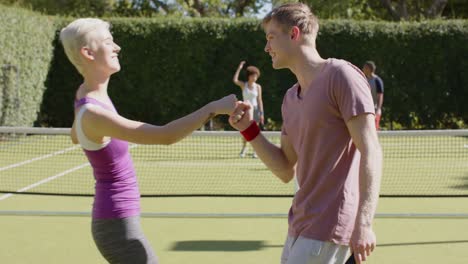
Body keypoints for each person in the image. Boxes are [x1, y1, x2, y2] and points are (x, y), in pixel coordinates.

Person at [60, 18, 237, 264]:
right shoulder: (93, 113)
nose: (117, 47)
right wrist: (214, 108)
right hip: (116, 227)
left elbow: (74, 135)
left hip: (116, 220)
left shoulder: (86, 97)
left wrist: (85, 132)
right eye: (109, 42)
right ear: (87, 53)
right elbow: (165, 136)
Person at [229, 3, 382, 264]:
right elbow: (285, 167)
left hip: (330, 226)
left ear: (294, 34)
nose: (266, 48)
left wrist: (364, 223)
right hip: (299, 226)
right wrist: (249, 129)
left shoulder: (341, 76)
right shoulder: (290, 98)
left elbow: (371, 150)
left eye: (270, 38)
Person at [232, 61, 265, 158]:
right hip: (245, 111)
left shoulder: (258, 87)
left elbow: (260, 100)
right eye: (253, 76)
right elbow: (235, 80)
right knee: (245, 132)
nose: (254, 78)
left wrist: (261, 113)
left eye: (256, 76)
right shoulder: (244, 85)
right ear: (249, 76)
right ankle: (243, 150)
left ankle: (255, 151)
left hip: (255, 110)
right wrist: (239, 67)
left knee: (255, 132)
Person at [362, 61, 384, 130]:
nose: (363, 69)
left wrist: (378, 109)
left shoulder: (377, 80)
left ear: (369, 68)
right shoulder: (364, 80)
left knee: (374, 129)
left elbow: (380, 95)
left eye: (365, 67)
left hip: (375, 110)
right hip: (366, 109)